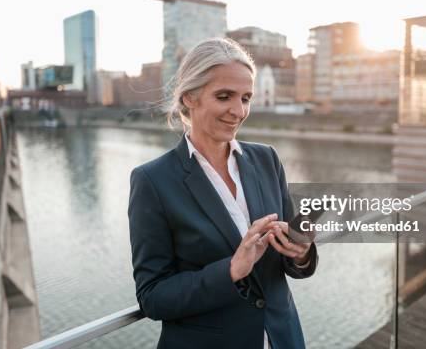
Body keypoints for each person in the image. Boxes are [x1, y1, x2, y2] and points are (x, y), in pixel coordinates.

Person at [128, 38, 318, 349]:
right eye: (224, 96)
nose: (238, 110)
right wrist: (231, 269)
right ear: (190, 97)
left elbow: (288, 265)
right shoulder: (152, 180)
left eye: (246, 98)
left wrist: (300, 252)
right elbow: (153, 297)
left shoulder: (267, 159)